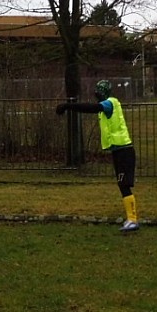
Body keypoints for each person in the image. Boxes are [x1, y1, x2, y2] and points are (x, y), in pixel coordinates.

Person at [56, 79, 139, 233]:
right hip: (118, 150)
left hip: (124, 150)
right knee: (122, 185)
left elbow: (91, 108)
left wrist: (68, 106)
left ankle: (133, 220)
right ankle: (131, 219)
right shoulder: (106, 106)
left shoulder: (110, 103)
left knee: (124, 185)